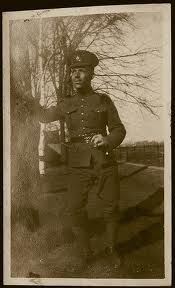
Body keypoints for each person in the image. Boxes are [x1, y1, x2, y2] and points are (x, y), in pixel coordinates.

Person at [35, 50, 126, 274]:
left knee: (111, 207)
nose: (76, 76)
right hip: (77, 164)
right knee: (74, 209)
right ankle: (85, 250)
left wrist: (107, 139)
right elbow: (43, 117)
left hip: (103, 159)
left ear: (91, 74)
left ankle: (111, 249)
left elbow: (119, 129)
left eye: (81, 71)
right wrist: (31, 100)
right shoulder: (65, 104)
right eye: (73, 72)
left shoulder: (104, 100)